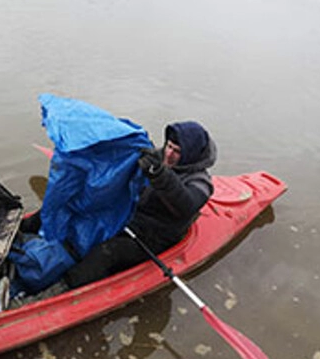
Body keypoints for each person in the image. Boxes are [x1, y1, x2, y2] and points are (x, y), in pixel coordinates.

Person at [60, 123, 217, 290]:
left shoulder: (201, 183)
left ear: (189, 154)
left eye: (177, 151)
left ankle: (63, 289)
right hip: (130, 218)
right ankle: (31, 232)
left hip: (154, 237)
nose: (169, 154)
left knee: (106, 253)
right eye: (168, 146)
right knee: (70, 211)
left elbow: (186, 205)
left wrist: (159, 174)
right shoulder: (157, 156)